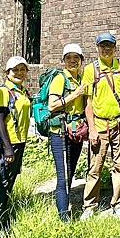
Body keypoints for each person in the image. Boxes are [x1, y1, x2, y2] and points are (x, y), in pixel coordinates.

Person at [81, 32, 120, 220]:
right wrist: (91, 128)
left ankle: (118, 202)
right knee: (95, 166)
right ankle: (90, 205)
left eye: (109, 46)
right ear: (97, 48)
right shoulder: (91, 70)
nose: (106, 49)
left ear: (115, 48)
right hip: (99, 124)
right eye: (103, 46)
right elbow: (88, 102)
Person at [0, 56, 32, 231]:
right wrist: (7, 149)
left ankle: (3, 216)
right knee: (1, 182)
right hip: (7, 145)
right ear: (7, 72)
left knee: (9, 180)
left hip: (19, 142)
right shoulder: (4, 92)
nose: (19, 73)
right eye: (15, 70)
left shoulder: (22, 91)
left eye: (23, 69)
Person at [47, 43, 87, 221]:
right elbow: (52, 105)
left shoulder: (80, 78)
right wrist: (76, 94)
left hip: (75, 132)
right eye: (69, 58)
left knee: (70, 171)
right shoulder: (60, 79)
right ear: (63, 61)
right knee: (62, 176)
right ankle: (63, 218)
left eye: (76, 58)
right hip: (60, 133)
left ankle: (65, 204)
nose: (72, 61)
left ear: (81, 61)